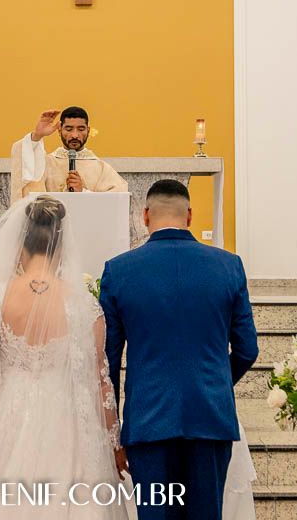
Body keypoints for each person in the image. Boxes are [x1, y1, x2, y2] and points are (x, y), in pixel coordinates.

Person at [0, 195, 129, 518]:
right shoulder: (84, 306)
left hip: (5, 420)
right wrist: (114, 443)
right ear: (62, 249)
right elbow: (100, 383)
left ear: (19, 246)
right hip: (67, 427)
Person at [99, 180, 259, 520]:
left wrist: (112, 432)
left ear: (144, 215)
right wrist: (214, 380)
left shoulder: (119, 270)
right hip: (210, 415)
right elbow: (247, 349)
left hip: (148, 419)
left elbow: (107, 361)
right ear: (189, 215)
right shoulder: (229, 265)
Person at [10, 107, 128, 203]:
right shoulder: (46, 163)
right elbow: (26, 172)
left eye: (81, 129)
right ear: (59, 130)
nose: (75, 135)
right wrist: (37, 136)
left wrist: (83, 193)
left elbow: (119, 200)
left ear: (88, 130)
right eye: (69, 129)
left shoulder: (101, 168)